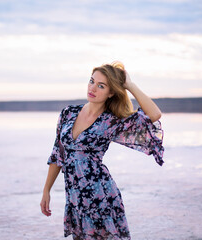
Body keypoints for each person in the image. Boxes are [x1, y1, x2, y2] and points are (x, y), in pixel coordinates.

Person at [40, 61, 164, 240]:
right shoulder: (68, 113)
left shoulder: (112, 120)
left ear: (111, 92)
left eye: (101, 86)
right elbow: (58, 154)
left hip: (100, 194)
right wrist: (46, 190)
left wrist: (129, 85)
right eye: (92, 81)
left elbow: (154, 115)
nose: (93, 88)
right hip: (75, 195)